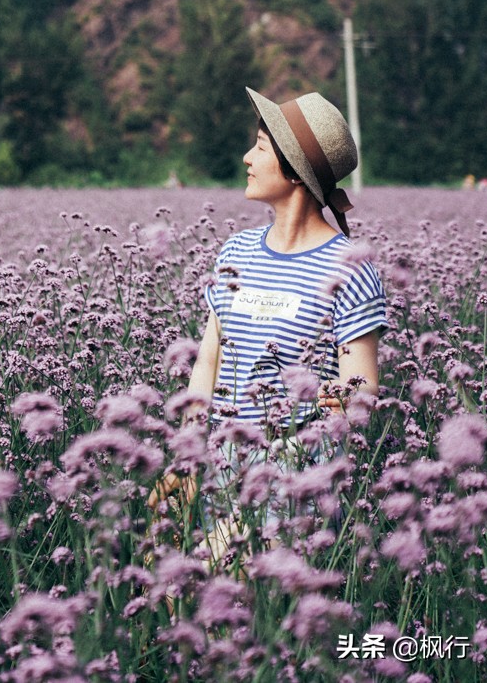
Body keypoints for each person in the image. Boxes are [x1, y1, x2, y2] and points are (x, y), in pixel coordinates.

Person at [152, 86, 387, 564]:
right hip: (218, 466)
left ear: (295, 171)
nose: (247, 157)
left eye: (260, 147)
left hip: (295, 478)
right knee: (166, 581)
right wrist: (187, 455)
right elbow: (208, 362)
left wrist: (342, 401)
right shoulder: (237, 252)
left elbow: (362, 387)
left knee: (213, 578)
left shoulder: (350, 267)